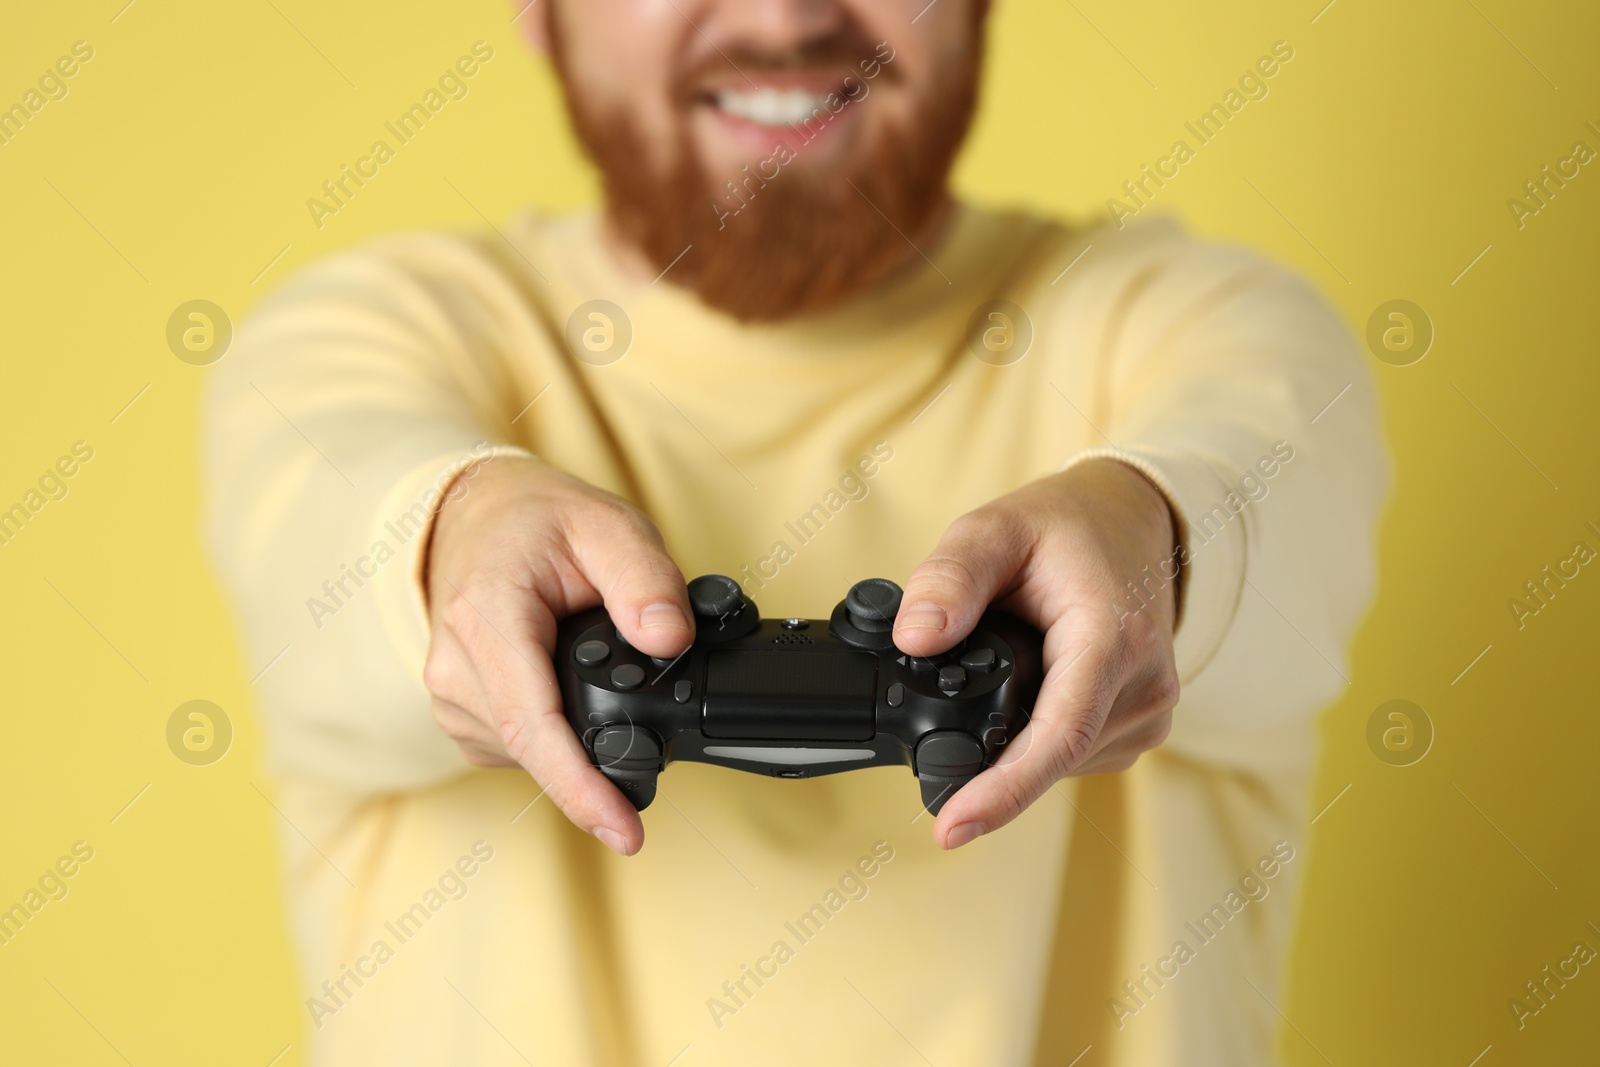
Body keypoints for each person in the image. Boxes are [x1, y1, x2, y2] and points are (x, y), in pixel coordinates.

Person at [203, 1, 1388, 1063]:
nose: (780, 15)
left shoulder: (1201, 325)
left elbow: (1267, 473)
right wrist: (451, 531)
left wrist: (1153, 528)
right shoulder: (374, 337)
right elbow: (331, 521)